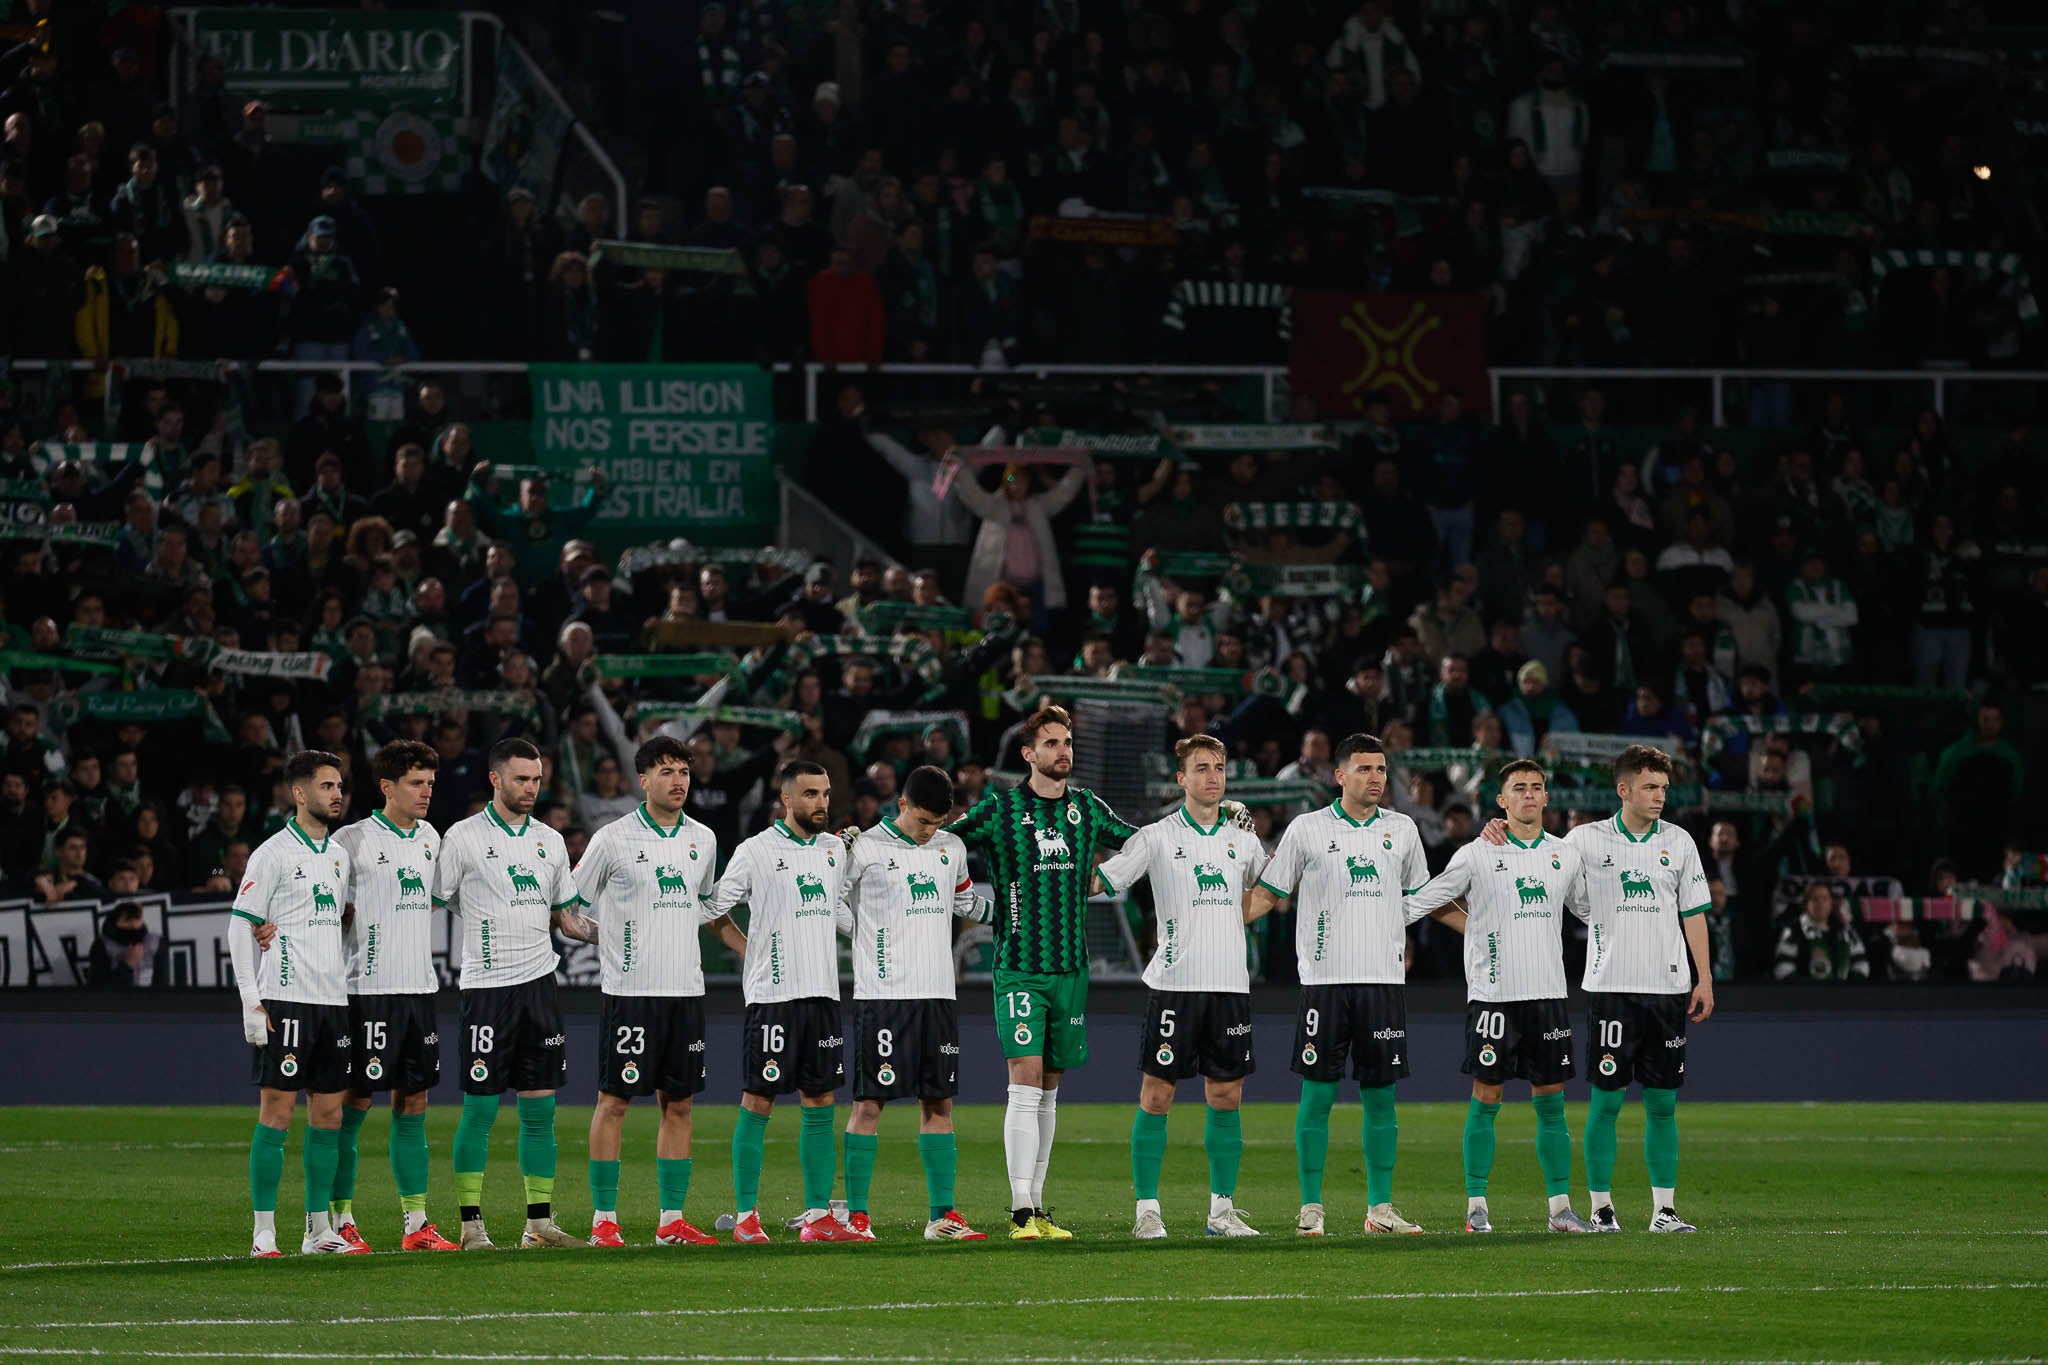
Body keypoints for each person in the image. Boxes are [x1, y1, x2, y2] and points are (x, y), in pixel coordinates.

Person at [1478, 744, 1711, 1232]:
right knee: (1606, 1100)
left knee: (1663, 1104)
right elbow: (1535, 849)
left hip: (1668, 987)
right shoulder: (1584, 840)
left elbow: (1693, 912)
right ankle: (1603, 1209)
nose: (1659, 797)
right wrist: (1495, 830)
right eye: (1649, 787)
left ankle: (1664, 1211)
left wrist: (1703, 976)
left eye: (1663, 788)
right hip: (1611, 988)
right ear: (1623, 790)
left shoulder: (1681, 842)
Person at [1242, 732, 1440, 1237]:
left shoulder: (1404, 830)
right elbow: (1268, 895)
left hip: (1382, 983)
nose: (1375, 778)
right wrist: (1211, 922)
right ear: (1340, 775)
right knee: (1318, 1095)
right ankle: (1312, 1207)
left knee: (1381, 1098)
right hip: (1325, 983)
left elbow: (1422, 899)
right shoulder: (1307, 829)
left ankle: (1380, 1210)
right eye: (1365, 769)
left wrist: (1485, 925)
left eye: (1381, 770)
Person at [949, 704, 1135, 1239]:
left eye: (1068, 742)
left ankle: (1038, 1207)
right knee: (1025, 1084)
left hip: (1070, 969)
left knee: (1050, 1090)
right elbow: (945, 840)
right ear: (1028, 754)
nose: (1064, 752)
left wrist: (1110, 877)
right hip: (1021, 967)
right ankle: (1019, 1210)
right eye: (1052, 743)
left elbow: (1143, 844)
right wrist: (967, 899)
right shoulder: (1001, 810)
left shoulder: (1086, 807)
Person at [1404, 759, 1593, 1234]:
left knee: (1552, 1102)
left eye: (1536, 788)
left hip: (1548, 995)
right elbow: (1427, 898)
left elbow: (1594, 910)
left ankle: (1560, 1209)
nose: (1529, 795)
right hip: (1493, 997)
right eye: (1519, 789)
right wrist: (1371, 916)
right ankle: (1476, 1205)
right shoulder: (1477, 853)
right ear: (1501, 801)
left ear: (1547, 798)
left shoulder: (1565, 855)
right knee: (1486, 1097)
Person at [576, 737, 746, 1248]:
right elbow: (569, 908)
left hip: (686, 995)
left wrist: (753, 950)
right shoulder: (612, 839)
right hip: (630, 993)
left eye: (684, 772)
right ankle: (604, 1220)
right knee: (614, 1102)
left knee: (680, 1105)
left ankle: (671, 1221)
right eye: (667, 771)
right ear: (643, 780)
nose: (678, 781)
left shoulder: (705, 839)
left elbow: (710, 910)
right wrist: (612, 937)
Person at [1090, 735, 1261, 1239]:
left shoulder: (1242, 839)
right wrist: (1049, 874)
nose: (1213, 776)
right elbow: (1105, 880)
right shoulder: (1157, 836)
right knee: (1157, 1096)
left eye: (1220, 767)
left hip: (1230, 985)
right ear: (1181, 779)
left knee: (1226, 1096)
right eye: (1202, 768)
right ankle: (1147, 1209)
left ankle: (1222, 1211)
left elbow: (1276, 889)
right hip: (1175, 986)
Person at [432, 737, 592, 1250]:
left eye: (537, 779)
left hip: (540, 988)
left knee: (540, 1113)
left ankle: (539, 1225)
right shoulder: (462, 837)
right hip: (487, 991)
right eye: (521, 779)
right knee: (479, 1113)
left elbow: (566, 919)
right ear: (495, 780)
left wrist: (630, 932)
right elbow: (432, 902)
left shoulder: (549, 840)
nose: (531, 788)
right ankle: (470, 1225)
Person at [708, 760, 864, 1244]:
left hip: (822, 994)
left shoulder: (836, 850)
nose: (821, 803)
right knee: (758, 1100)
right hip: (773, 997)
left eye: (825, 793)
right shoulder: (756, 851)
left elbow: (837, 908)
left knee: (820, 1100)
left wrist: (876, 937)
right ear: (787, 799)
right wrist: (750, 948)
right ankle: (746, 1218)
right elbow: (715, 910)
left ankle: (818, 1218)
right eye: (811, 794)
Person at [838, 764, 994, 1241]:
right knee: (869, 1104)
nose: (931, 831)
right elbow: (831, 902)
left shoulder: (951, 847)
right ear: (901, 804)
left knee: (939, 1103)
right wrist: (866, 934)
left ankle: (942, 1216)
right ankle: (858, 1216)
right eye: (924, 821)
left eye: (938, 823)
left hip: (938, 997)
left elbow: (965, 902)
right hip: (883, 997)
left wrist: (1013, 911)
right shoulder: (862, 846)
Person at [325, 741, 460, 1252]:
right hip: (367, 992)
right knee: (355, 1102)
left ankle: (416, 1224)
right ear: (387, 787)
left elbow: (433, 902)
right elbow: (329, 913)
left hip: (418, 991)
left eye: (430, 783)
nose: (426, 792)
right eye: (416, 783)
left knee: (415, 1101)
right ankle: (341, 1220)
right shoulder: (352, 840)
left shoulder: (430, 838)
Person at [227, 750, 358, 1257]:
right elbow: (241, 922)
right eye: (326, 786)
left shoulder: (340, 856)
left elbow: (333, 924)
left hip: (333, 1003)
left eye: (340, 785)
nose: (337, 794)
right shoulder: (272, 853)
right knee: (276, 1114)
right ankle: (264, 1232)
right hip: (285, 1001)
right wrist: (249, 1000)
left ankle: (317, 1229)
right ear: (299, 793)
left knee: (329, 1116)